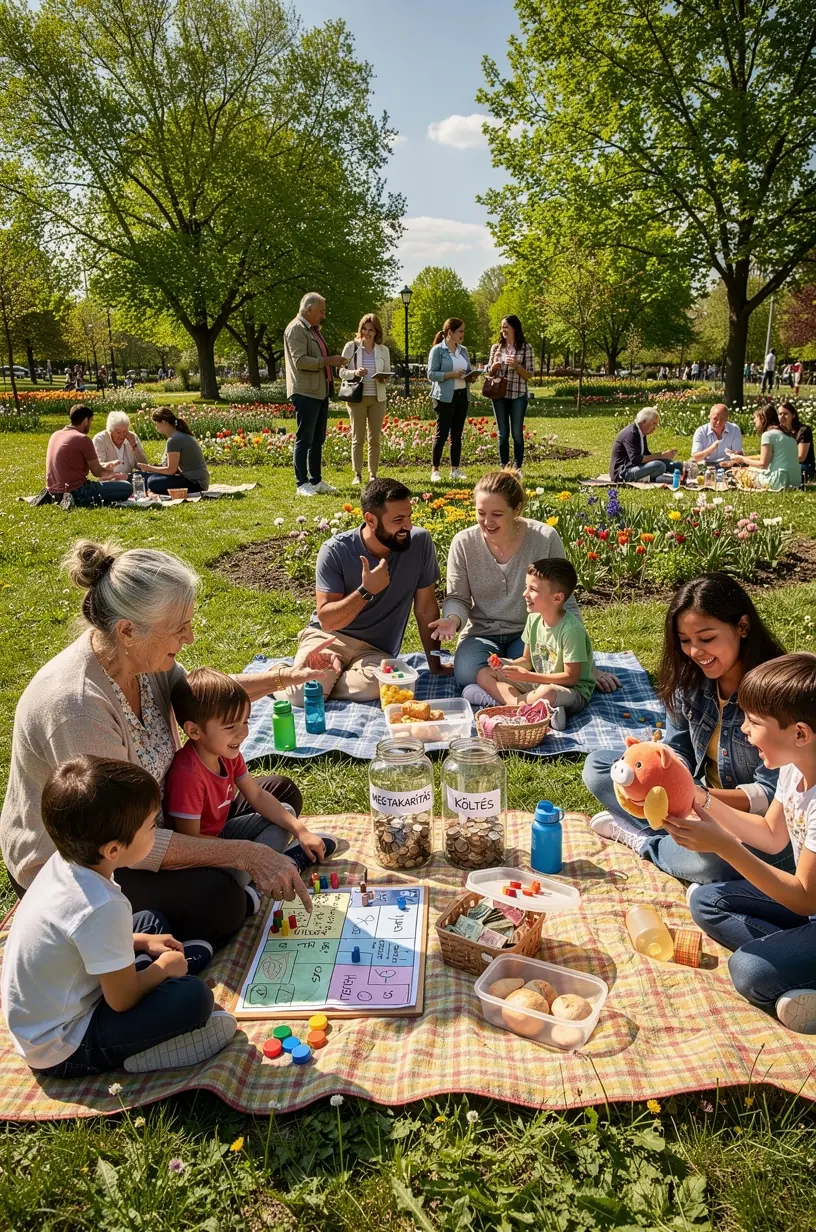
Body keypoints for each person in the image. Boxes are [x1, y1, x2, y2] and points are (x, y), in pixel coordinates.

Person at [0, 540, 338, 947]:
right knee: (218, 900)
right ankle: (235, 890)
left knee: (279, 791)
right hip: (94, 859)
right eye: (179, 629)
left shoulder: (143, 660)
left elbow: (209, 702)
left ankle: (238, 875)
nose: (191, 638)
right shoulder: (78, 709)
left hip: (154, 820)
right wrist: (242, 854)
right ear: (127, 630)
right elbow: (123, 843)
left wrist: (289, 676)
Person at [0, 756, 236, 1077]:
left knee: (150, 922)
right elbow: (122, 1001)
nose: (157, 830)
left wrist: (142, 942)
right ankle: (145, 1051)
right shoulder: (100, 906)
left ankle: (152, 972)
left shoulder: (68, 862)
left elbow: (81, 935)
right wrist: (162, 969)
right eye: (152, 826)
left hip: (53, 1008)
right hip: (62, 1044)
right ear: (113, 850)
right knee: (195, 998)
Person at [583, 573, 794, 884]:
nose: (695, 652)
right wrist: (663, 776)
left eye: (706, 639)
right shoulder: (690, 681)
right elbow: (677, 748)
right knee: (600, 766)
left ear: (743, 627)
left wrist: (696, 797)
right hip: (693, 799)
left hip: (755, 824)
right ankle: (670, 836)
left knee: (715, 864)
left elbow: (767, 796)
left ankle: (647, 841)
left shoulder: (775, 694)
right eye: (685, 641)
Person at [673, 655, 816, 1033]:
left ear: (800, 733)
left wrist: (725, 846)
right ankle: (795, 961)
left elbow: (803, 897)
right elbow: (771, 837)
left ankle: (792, 969)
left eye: (754, 722)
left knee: (748, 969)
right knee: (708, 900)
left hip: (809, 903)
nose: (746, 733)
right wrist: (699, 798)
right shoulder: (794, 766)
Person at [428, 471, 620, 707]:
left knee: (548, 666)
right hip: (482, 633)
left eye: (497, 514)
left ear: (516, 510)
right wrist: (453, 620)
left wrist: (588, 667)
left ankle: (499, 698)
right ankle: (520, 702)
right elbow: (458, 597)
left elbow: (564, 601)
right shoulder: (463, 542)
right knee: (467, 671)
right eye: (481, 513)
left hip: (532, 633)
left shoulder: (544, 538)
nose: (487, 522)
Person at [282, 478, 451, 707]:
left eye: (409, 516)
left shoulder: (419, 542)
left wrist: (435, 664)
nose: (408, 526)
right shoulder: (335, 550)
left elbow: (425, 609)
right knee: (301, 694)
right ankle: (285, 676)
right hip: (329, 639)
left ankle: (318, 680)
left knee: (380, 686)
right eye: (398, 520)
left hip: (375, 651)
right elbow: (327, 621)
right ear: (370, 519)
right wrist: (366, 591)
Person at [166, 668, 336, 882]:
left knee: (286, 811)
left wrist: (301, 831)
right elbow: (190, 841)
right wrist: (245, 852)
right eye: (230, 726)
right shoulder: (188, 775)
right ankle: (266, 870)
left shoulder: (227, 754)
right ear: (194, 731)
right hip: (203, 856)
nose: (243, 733)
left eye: (245, 722)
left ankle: (276, 865)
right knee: (222, 883)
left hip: (223, 835)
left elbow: (256, 796)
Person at [482, 558, 595, 732]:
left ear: (557, 598)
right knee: (484, 673)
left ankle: (521, 706)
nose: (524, 594)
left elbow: (571, 678)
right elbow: (527, 660)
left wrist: (528, 676)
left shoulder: (572, 631)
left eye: (532, 589)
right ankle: (537, 709)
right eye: (526, 587)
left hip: (572, 692)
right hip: (539, 681)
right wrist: (506, 665)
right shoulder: (534, 619)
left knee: (547, 693)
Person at [283, 292, 345, 497]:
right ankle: (301, 483)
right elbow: (300, 361)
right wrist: (328, 361)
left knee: (317, 439)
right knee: (305, 438)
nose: (323, 315)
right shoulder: (296, 329)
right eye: (321, 311)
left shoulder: (313, 329)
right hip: (305, 391)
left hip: (319, 392)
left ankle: (316, 480)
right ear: (309, 309)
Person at [44, 404, 133, 506]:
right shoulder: (82, 439)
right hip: (75, 492)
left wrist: (105, 466)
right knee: (126, 487)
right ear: (86, 421)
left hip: (53, 493)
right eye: (91, 421)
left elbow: (75, 465)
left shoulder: (55, 435)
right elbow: (96, 472)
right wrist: (114, 475)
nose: (90, 425)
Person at [339, 313, 391, 486]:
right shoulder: (352, 347)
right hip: (357, 397)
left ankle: (373, 474)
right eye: (364, 329)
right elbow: (340, 372)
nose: (367, 333)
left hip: (377, 397)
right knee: (358, 437)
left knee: (375, 438)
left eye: (371, 330)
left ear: (377, 332)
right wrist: (355, 373)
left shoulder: (383, 350)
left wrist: (383, 377)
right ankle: (357, 473)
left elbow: (388, 372)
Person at [427, 317, 478, 484]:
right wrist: (452, 375)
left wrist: (471, 376)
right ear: (450, 332)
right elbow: (431, 374)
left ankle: (455, 469)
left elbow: (468, 371)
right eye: (460, 331)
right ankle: (435, 470)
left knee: (457, 434)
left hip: (462, 395)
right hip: (444, 397)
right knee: (442, 434)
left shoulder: (463, 350)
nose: (463, 334)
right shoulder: (438, 351)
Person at [486, 315, 535, 475]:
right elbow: (488, 371)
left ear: (514, 328)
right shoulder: (496, 348)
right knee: (503, 433)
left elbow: (529, 375)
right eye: (502, 327)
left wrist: (516, 366)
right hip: (499, 394)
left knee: (516, 432)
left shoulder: (526, 348)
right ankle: (504, 466)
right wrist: (493, 367)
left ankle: (518, 466)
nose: (503, 330)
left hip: (518, 394)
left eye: (506, 326)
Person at [726, 403, 800, 490]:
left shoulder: (768, 435)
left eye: (755, 418)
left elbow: (763, 464)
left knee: (739, 472)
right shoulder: (788, 434)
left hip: (779, 481)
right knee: (751, 469)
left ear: (763, 419)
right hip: (795, 480)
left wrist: (742, 459)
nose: (754, 421)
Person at [136, 408, 210, 495]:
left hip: (195, 482)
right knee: (142, 476)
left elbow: (171, 470)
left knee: (152, 482)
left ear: (163, 423)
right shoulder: (178, 436)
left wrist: (149, 468)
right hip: (189, 478)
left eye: (156, 424)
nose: (155, 427)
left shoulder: (174, 440)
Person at [609, 407, 676, 483]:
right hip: (623, 473)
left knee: (668, 463)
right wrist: (660, 455)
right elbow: (636, 459)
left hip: (633, 467)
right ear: (644, 421)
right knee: (659, 465)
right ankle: (657, 478)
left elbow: (646, 455)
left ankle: (669, 476)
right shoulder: (631, 433)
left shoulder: (641, 433)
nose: (655, 427)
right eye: (654, 423)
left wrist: (664, 457)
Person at [93, 410, 148, 477]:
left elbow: (144, 467)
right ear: (110, 430)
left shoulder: (132, 437)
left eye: (125, 432)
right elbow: (98, 468)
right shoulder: (100, 440)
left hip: (128, 477)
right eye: (118, 432)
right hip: (109, 479)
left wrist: (134, 446)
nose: (122, 436)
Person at [690, 402, 743, 467]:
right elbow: (695, 457)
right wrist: (710, 449)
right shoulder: (701, 431)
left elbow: (738, 456)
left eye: (722, 419)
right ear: (709, 416)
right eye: (715, 419)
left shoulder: (734, 429)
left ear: (727, 418)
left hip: (728, 465)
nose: (718, 422)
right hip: (706, 465)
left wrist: (731, 462)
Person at [778, 401, 814, 482]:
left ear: (793, 415)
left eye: (785, 414)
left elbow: (801, 458)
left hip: (804, 466)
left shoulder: (803, 430)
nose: (782, 417)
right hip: (785, 463)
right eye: (780, 414)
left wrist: (779, 460)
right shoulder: (778, 432)